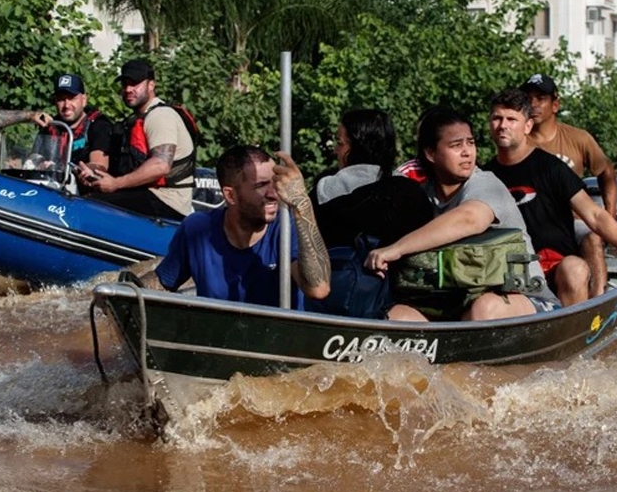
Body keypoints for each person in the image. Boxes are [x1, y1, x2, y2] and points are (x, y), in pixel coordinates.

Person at [364, 107, 559, 322]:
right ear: (430, 153)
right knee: (397, 316)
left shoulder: (486, 183)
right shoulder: (421, 194)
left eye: (471, 142)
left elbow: (469, 219)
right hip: (453, 303)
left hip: (527, 300)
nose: (467, 152)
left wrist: (396, 249)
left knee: (485, 308)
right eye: (456, 145)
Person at [485, 88, 617, 306]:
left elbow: (595, 215)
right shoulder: (485, 176)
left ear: (528, 126)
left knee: (575, 268)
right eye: (497, 118)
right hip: (510, 269)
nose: (503, 125)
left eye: (511, 119)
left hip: (557, 266)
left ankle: (579, 329)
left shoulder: (551, 167)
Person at [155, 146, 330, 307]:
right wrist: (130, 290)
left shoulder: (285, 228)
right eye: (261, 185)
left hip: (277, 338)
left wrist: (301, 203)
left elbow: (318, 289)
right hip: (216, 339)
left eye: (275, 183)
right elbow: (162, 283)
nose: (273, 194)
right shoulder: (198, 229)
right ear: (230, 195)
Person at [521, 73, 617, 298]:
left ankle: (598, 300)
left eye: (540, 98)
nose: (533, 104)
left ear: (555, 104)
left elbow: (607, 172)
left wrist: (610, 217)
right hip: (532, 224)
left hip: (573, 221)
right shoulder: (518, 141)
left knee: (593, 236)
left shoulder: (579, 138)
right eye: (528, 99)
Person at [83, 59, 194, 220]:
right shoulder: (137, 118)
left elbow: (160, 165)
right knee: (89, 194)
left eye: (135, 84)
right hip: (147, 193)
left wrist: (116, 184)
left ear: (151, 85)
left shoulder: (160, 116)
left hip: (167, 201)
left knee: (91, 206)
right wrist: (95, 176)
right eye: (125, 84)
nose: (128, 89)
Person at [312, 109, 432, 249]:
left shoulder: (325, 191)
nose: (335, 151)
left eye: (340, 143)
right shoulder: (412, 192)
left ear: (357, 146)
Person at [36, 73, 112, 193]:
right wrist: (38, 163)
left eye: (72, 98)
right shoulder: (50, 127)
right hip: (48, 190)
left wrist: (86, 170)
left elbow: (100, 165)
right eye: (61, 99)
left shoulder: (98, 125)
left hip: (84, 194)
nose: (66, 105)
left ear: (84, 99)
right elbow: (34, 158)